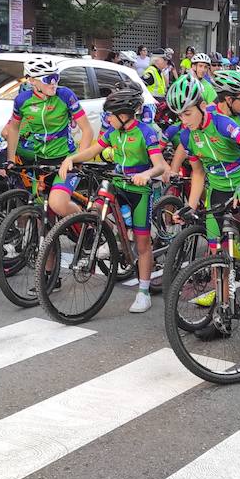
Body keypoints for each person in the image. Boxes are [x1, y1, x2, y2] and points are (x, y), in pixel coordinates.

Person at [164, 73, 240, 308]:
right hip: (218, 192)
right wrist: (190, 206)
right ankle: (224, 304)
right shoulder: (187, 135)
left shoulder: (221, 122)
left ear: (201, 106)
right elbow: (198, 173)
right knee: (216, 253)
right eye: (179, 115)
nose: (184, 120)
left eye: (187, 113)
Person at [61, 87, 166, 314]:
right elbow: (92, 151)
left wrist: (146, 174)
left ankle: (144, 292)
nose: (107, 118)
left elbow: (160, 165)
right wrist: (72, 158)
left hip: (139, 192)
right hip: (118, 184)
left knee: (142, 244)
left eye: (110, 114)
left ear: (124, 114)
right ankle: (110, 237)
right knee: (95, 207)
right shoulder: (112, 133)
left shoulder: (145, 132)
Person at [6, 56, 94, 222]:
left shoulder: (65, 95)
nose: (54, 83)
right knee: (40, 213)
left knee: (57, 204)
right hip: (40, 161)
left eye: (56, 77)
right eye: (48, 79)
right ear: (32, 81)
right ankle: (47, 247)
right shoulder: (22, 100)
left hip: (65, 159)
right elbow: (13, 129)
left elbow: (87, 130)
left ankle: (87, 226)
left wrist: (77, 159)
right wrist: (10, 159)